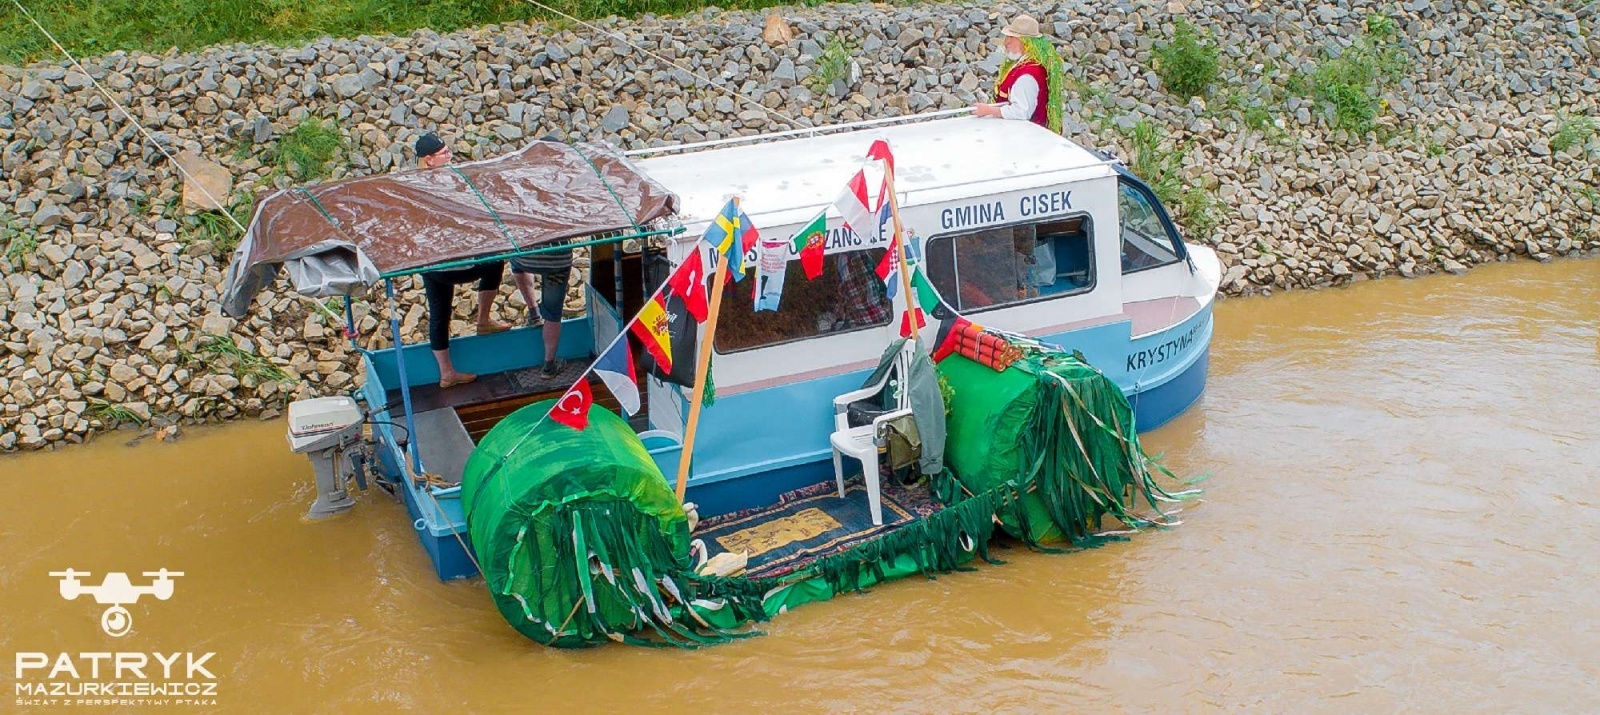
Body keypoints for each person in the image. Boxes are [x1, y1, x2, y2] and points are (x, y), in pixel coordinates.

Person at [414, 132, 511, 388]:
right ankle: (483, 320)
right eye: (445, 153)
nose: (450, 156)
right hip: (447, 263)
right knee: (495, 262)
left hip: (427, 264)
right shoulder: (442, 184)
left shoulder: (412, 185)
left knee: (439, 313)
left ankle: (446, 373)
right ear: (429, 160)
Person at [509, 135, 576, 380]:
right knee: (554, 311)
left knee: (515, 262)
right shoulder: (567, 181)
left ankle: (532, 311)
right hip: (556, 257)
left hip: (526, 252)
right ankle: (549, 364)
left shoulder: (522, 178)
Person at [972, 14, 1068, 135]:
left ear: (1026, 42)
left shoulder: (1027, 76)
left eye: (1012, 38)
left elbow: (1021, 112)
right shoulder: (1029, 65)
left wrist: (989, 110)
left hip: (1026, 139)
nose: (1006, 42)